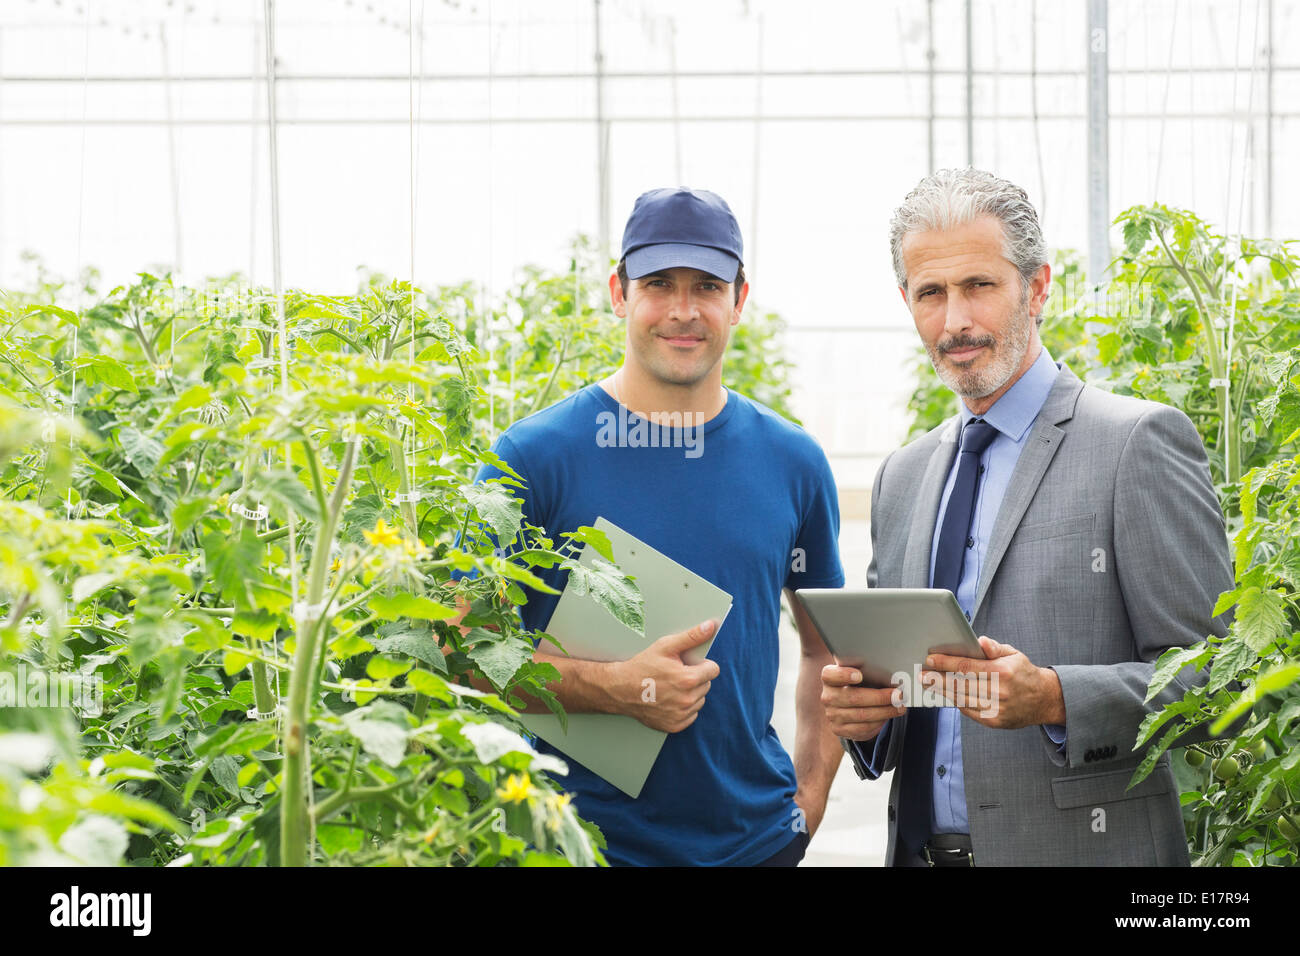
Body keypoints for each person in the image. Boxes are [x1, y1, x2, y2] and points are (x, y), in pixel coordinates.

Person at [820, 168, 1232, 866]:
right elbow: (903, 689)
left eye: (979, 286)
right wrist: (865, 721)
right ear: (907, 302)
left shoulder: (1135, 444)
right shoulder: (904, 477)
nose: (955, 321)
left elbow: (1220, 684)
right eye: (931, 294)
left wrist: (1056, 698)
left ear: (1038, 288)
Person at [464, 186, 846, 866]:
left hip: (753, 846)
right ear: (619, 292)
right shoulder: (532, 457)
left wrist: (806, 807)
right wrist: (617, 688)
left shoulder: (792, 463)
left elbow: (827, 653)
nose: (682, 310)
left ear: (739, 298)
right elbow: (462, 646)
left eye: (706, 285)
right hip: (577, 847)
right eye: (658, 284)